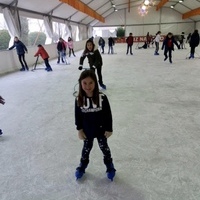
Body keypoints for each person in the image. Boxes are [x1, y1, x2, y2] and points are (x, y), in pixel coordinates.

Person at [74, 69, 116, 181]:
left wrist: (109, 128)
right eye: (85, 83)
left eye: (91, 83)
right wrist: (80, 129)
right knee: (86, 149)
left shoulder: (102, 98)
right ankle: (82, 166)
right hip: (87, 130)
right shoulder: (79, 99)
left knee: (105, 149)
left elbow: (108, 114)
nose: (88, 86)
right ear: (80, 83)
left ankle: (109, 166)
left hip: (101, 130)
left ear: (95, 83)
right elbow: (78, 116)